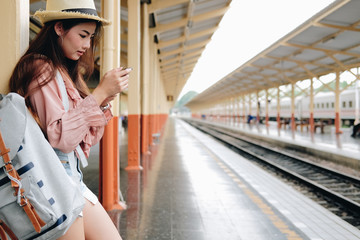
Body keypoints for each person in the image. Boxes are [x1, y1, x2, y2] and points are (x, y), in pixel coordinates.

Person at [9, 0, 127, 239]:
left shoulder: (66, 73)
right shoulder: (40, 68)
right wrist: (100, 94)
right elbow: (61, 138)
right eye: (83, 35)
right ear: (59, 28)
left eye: (91, 37)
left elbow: (86, 139)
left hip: (72, 178)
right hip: (51, 182)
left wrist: (101, 102)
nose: (87, 45)